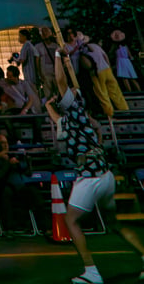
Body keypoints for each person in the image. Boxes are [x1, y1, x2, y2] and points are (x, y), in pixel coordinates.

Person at [46, 87, 144, 284]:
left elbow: (61, 88)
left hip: (90, 178)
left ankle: (90, 271)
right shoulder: (85, 119)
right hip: (105, 175)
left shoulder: (75, 115)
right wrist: (50, 104)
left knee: (71, 220)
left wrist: (59, 56)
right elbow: (58, 118)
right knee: (114, 223)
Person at [82, 39, 129, 118]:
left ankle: (109, 113)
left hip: (97, 72)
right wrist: (109, 67)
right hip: (106, 69)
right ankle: (124, 109)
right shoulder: (96, 46)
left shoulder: (83, 50)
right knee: (116, 92)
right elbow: (105, 56)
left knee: (103, 94)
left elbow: (87, 64)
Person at [36, 25, 59, 97]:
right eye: (43, 32)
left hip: (56, 72)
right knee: (48, 94)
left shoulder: (56, 46)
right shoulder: (38, 46)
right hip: (45, 73)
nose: (45, 34)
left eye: (47, 32)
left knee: (58, 92)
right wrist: (39, 74)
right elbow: (37, 61)